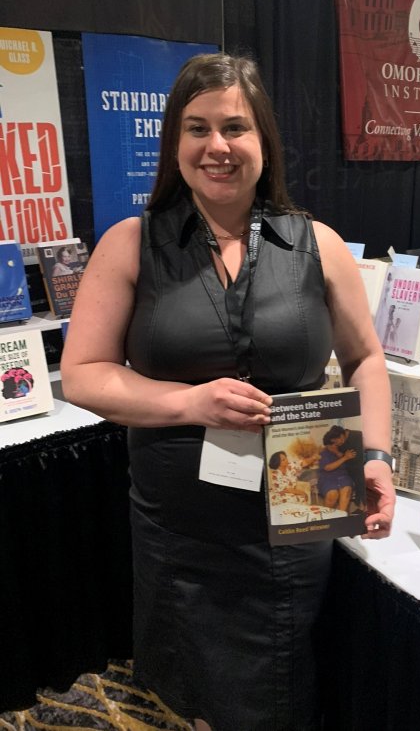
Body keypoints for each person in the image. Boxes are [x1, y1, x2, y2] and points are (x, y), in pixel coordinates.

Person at [60, 53, 394, 731]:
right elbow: (84, 372)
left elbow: (366, 358)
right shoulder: (131, 244)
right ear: (174, 144)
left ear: (263, 140)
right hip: (178, 527)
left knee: (286, 689)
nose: (217, 145)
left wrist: (377, 455)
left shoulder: (319, 244)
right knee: (191, 691)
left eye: (235, 127)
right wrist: (189, 402)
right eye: (197, 127)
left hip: (303, 501)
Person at [317, 427, 358, 512]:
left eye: (343, 438)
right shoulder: (324, 453)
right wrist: (345, 458)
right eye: (340, 439)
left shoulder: (342, 448)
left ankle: (341, 515)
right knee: (332, 494)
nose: (342, 441)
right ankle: (327, 516)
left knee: (346, 490)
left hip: (343, 477)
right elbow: (327, 468)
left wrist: (342, 455)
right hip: (327, 478)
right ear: (331, 442)